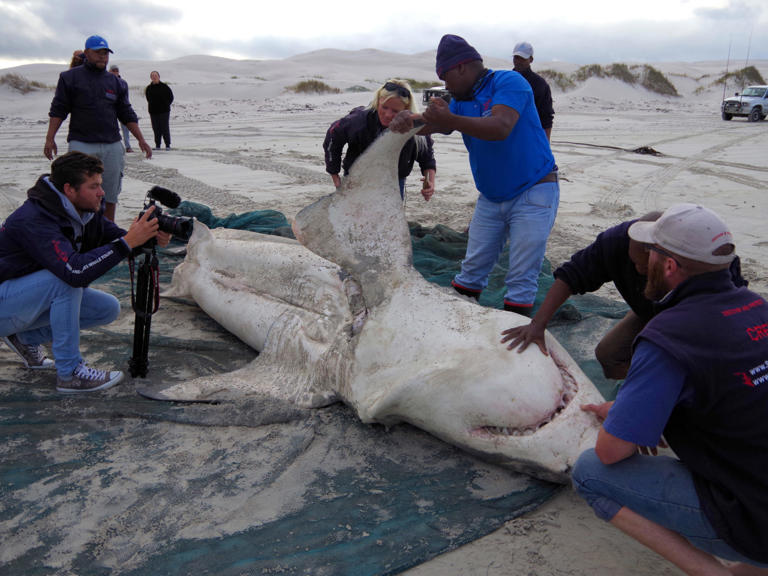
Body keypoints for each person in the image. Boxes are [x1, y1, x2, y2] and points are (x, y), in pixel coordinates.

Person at [571, 203, 768, 575]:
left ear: (670, 266)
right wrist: (631, 411)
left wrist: (626, 425)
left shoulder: (669, 336)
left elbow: (612, 452)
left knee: (591, 472)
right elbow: (739, 397)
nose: (641, 262)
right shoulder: (758, 308)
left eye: (650, 253)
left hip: (755, 520)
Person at [390, 34, 558, 316]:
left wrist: (450, 119)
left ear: (462, 67)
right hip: (491, 197)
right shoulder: (461, 99)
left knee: (521, 278)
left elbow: (500, 126)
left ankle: (513, 343)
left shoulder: (509, 82)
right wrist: (406, 122)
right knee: (471, 272)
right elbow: (431, 125)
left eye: (446, 77)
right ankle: (462, 329)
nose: (446, 86)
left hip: (534, 190)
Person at [0, 151, 170, 392]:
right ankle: (70, 374)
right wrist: (127, 243)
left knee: (106, 308)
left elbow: (120, 241)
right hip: (5, 297)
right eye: (95, 186)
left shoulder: (85, 212)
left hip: (18, 299)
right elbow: (75, 271)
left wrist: (148, 236)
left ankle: (25, 338)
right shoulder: (35, 218)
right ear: (69, 189)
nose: (102, 192)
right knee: (64, 281)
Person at [45, 35, 152, 222]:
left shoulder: (117, 83)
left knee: (110, 194)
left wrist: (141, 139)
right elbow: (59, 109)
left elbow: (126, 113)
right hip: (82, 144)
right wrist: (49, 138)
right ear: (87, 53)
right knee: (79, 193)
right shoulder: (70, 78)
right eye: (98, 52)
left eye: (105, 53)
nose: (103, 57)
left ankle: (107, 231)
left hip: (112, 145)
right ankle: (80, 232)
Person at [323, 78, 436, 201]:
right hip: (356, 180)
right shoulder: (358, 120)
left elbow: (427, 157)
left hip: (393, 183)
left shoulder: (414, 127)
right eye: (384, 107)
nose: (388, 115)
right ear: (377, 102)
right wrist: (335, 177)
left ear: (406, 108)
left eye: (395, 111)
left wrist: (429, 182)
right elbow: (333, 136)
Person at [512, 41, 554, 141]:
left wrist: (545, 144)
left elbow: (546, 117)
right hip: (508, 136)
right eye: (516, 57)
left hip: (531, 137)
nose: (518, 61)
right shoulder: (505, 80)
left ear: (531, 59)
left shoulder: (540, 84)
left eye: (523, 58)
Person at [145, 71, 174, 150]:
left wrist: (166, 105)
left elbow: (171, 97)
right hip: (153, 112)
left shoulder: (164, 87)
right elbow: (148, 98)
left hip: (164, 111)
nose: (154, 77)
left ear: (159, 77)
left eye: (156, 75)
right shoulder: (149, 88)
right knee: (156, 128)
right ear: (151, 77)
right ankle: (158, 145)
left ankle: (167, 145)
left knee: (164, 128)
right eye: (152, 76)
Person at [109, 64, 134, 152]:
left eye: (116, 71)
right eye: (113, 71)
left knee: (125, 128)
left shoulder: (123, 82)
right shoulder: (106, 81)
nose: (115, 72)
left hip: (122, 108)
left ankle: (128, 146)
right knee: (112, 127)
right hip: (110, 108)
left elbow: (126, 97)